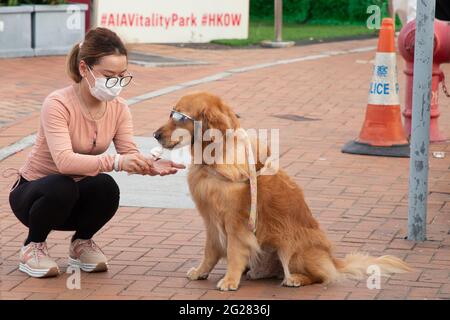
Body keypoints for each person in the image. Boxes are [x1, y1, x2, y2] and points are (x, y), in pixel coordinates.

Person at [7, 27, 185, 278]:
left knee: (106, 187)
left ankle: (81, 244)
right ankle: (32, 246)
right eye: (108, 75)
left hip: (75, 197)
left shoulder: (119, 108)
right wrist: (118, 162)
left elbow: (128, 152)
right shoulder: (57, 103)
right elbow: (65, 162)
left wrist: (148, 165)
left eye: (122, 76)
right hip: (35, 195)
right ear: (84, 69)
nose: (116, 84)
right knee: (62, 185)